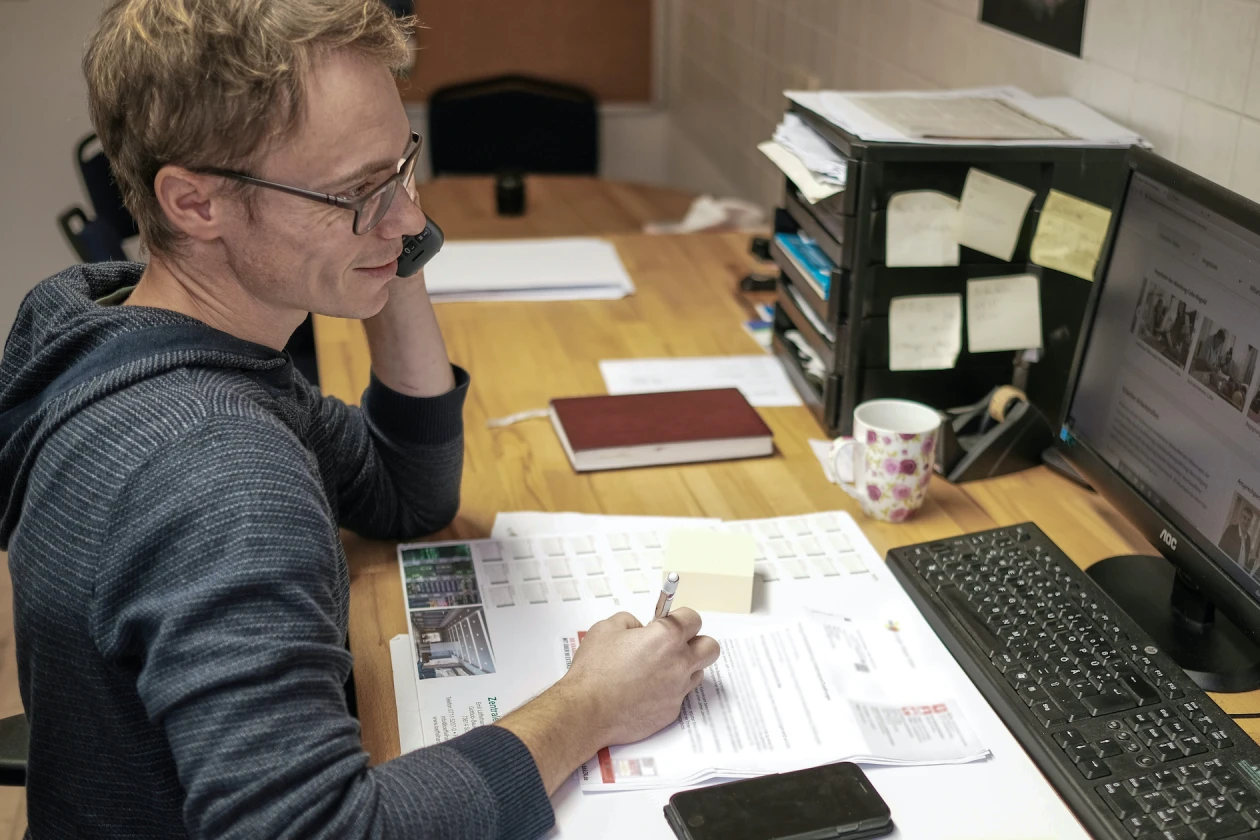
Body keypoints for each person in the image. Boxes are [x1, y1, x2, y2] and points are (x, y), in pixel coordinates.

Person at [0, 2, 719, 838]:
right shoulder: (218, 469)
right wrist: (590, 706)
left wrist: (382, 243)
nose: (414, 221)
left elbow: (405, 495)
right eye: (351, 191)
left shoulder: (116, 327)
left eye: (400, 169)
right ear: (195, 204)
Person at [1222, 505, 1256, 574]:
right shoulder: (1231, 530)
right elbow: (1220, 550)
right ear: (1240, 518)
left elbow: (1244, 562)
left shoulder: (1248, 539)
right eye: (1244, 518)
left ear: (1250, 523)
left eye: (1249, 520)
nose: (1246, 522)